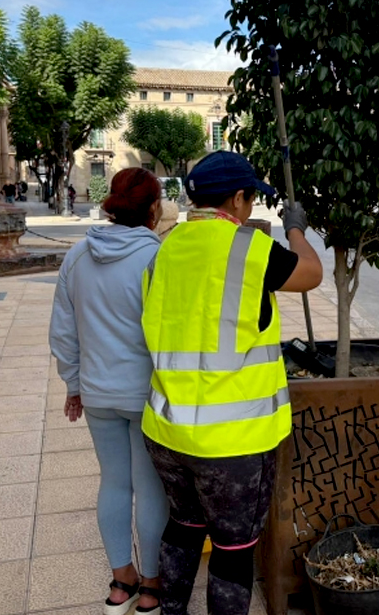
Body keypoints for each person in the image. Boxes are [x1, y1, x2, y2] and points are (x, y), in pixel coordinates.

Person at [141, 151, 323, 615]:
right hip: (233, 440)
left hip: (167, 430)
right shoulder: (248, 247)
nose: (250, 209)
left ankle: (170, 612)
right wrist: (295, 228)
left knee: (182, 526)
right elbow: (312, 274)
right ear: (238, 198)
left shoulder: (164, 248)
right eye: (250, 200)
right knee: (233, 547)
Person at [50, 167, 170, 615]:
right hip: (147, 395)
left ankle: (122, 583)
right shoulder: (158, 258)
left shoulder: (78, 256)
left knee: (114, 484)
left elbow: (63, 331)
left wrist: (74, 383)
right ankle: (153, 586)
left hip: (98, 394)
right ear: (154, 209)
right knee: (151, 487)